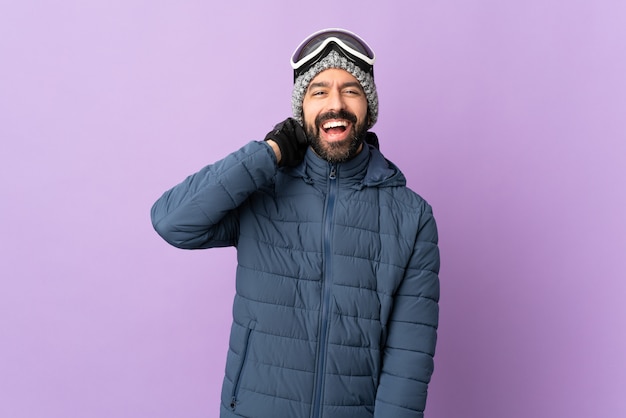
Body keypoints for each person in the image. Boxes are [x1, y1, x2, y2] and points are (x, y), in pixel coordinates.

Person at [151, 28, 440, 418]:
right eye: (318, 91)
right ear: (300, 108)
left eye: (351, 90)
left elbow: (409, 358)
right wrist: (267, 154)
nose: (335, 104)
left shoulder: (411, 216)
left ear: (368, 108)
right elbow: (172, 221)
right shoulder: (261, 188)